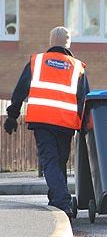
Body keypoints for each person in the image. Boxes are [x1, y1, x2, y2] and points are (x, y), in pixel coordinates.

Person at [3, 26, 90, 219]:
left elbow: (20, 90)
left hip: (42, 121)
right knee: (58, 162)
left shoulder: (37, 62)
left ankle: (60, 201)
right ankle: (59, 200)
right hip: (66, 125)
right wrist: (85, 128)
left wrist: (12, 115)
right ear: (69, 44)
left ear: (51, 42)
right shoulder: (77, 67)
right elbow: (84, 100)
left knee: (51, 162)